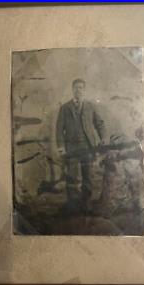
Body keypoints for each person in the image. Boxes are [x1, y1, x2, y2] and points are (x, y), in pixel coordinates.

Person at [56, 78, 106, 212]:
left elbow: (99, 124)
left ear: (84, 90)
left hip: (87, 147)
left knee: (87, 175)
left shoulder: (90, 107)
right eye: (76, 87)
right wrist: (61, 147)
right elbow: (59, 130)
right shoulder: (65, 108)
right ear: (72, 90)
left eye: (81, 88)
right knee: (72, 175)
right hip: (71, 148)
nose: (78, 90)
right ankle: (72, 205)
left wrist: (103, 138)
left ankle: (86, 204)